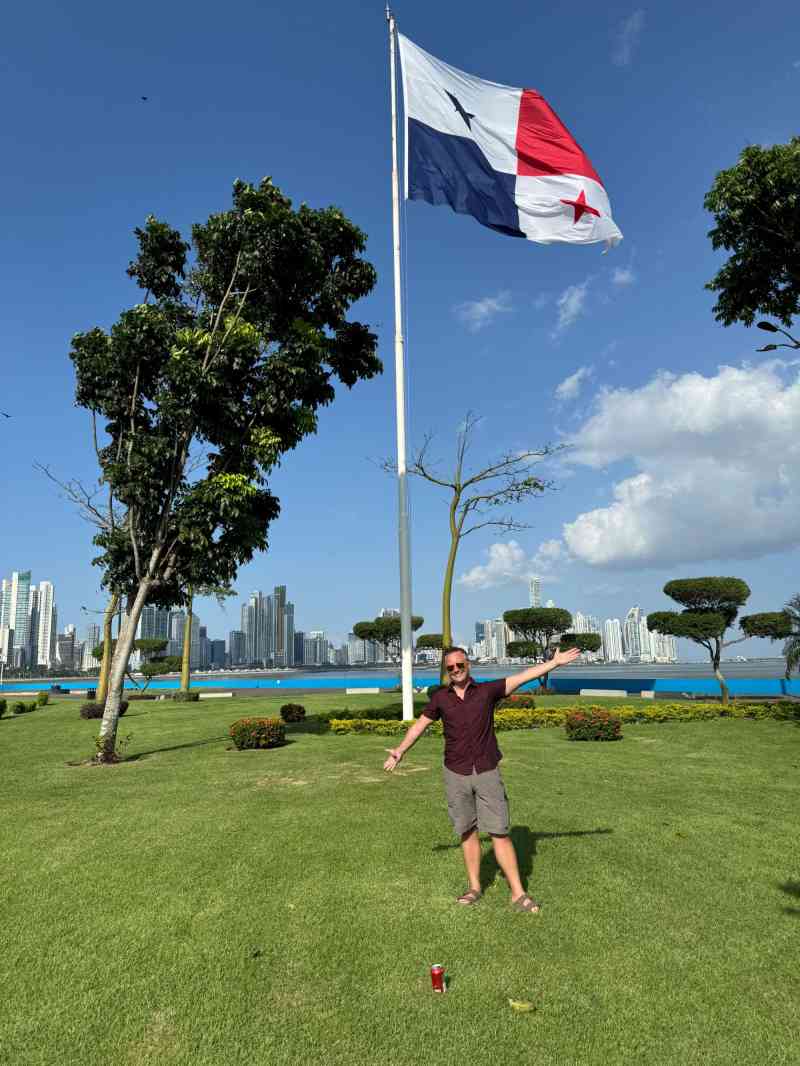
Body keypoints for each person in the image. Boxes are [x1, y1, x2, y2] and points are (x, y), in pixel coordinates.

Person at [383, 644, 580, 913]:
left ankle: (518, 894)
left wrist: (554, 663)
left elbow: (524, 676)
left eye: (459, 665)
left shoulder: (487, 691)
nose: (455, 670)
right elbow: (419, 725)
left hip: (486, 770)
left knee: (499, 832)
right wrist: (399, 751)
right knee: (467, 831)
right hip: (456, 773)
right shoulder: (441, 698)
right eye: (450, 667)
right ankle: (474, 887)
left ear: (468, 665)